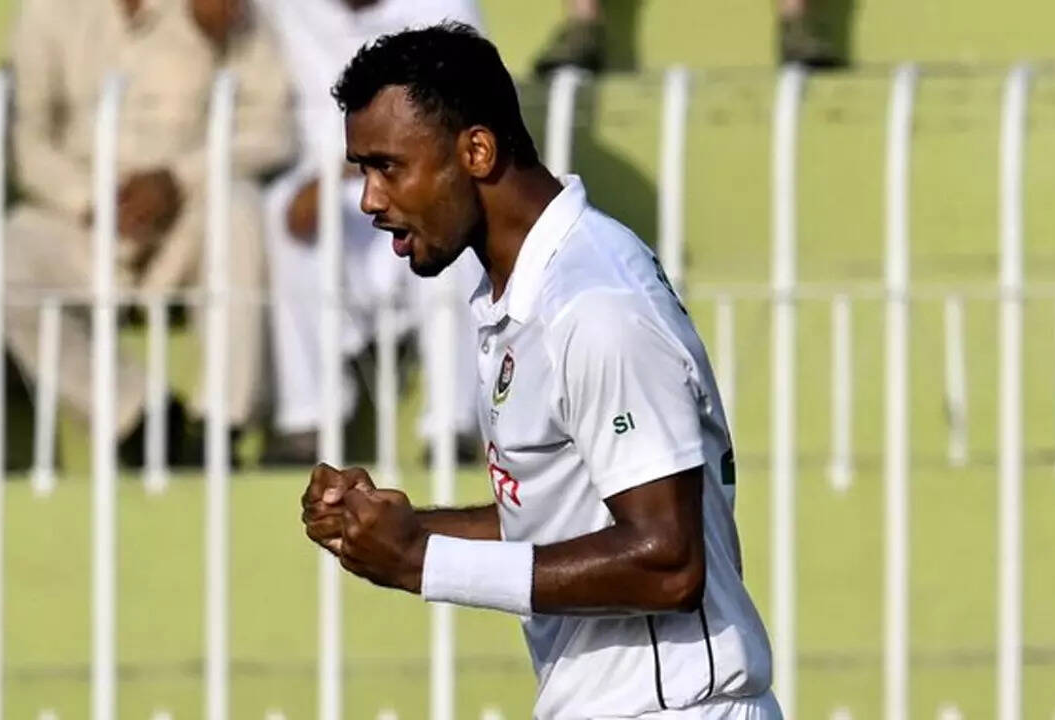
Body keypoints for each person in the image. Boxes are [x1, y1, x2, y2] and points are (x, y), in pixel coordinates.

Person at [301, 23, 778, 718]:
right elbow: (559, 520)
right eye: (362, 171)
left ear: (477, 150)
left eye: (389, 167)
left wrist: (421, 563)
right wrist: (403, 531)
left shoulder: (594, 305)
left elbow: (670, 563)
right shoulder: (525, 297)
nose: (370, 199)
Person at [4, 0, 294, 466]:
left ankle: (221, 422)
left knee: (238, 207)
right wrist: (92, 201)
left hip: (186, 216)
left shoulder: (217, 7)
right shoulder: (48, 13)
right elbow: (27, 143)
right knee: (8, 254)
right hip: (85, 223)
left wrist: (178, 179)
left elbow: (273, 129)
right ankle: (140, 419)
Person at [258, 0, 485, 465]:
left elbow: (464, 119)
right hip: (332, 203)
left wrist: (357, 170)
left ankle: (453, 426)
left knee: (456, 233)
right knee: (283, 212)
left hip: (421, 188)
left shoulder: (443, 8)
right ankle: (308, 420)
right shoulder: (289, 8)